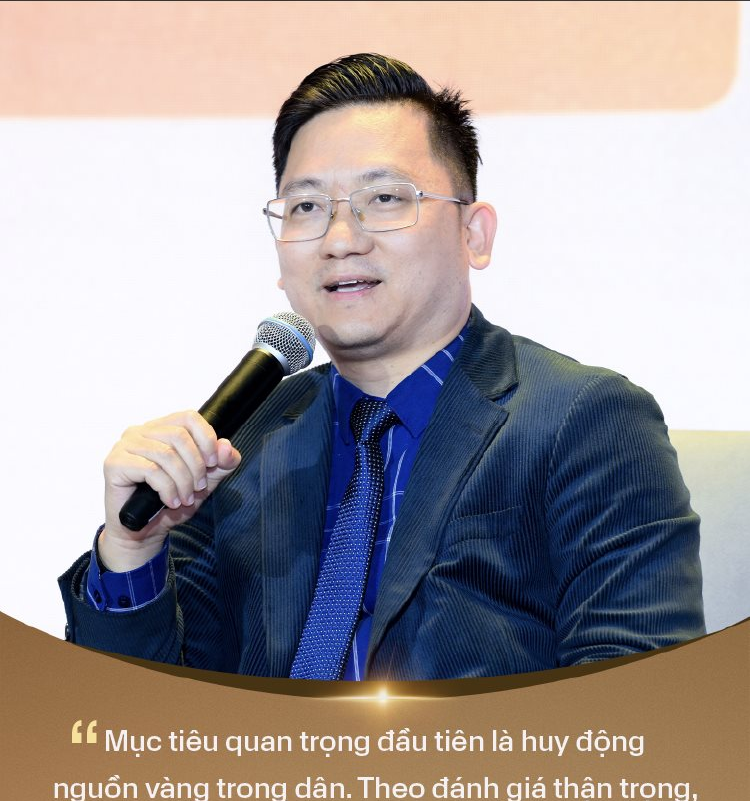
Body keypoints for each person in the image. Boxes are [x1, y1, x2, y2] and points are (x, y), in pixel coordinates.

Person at [59, 53, 705, 680]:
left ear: (474, 234)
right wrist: (132, 550)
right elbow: (143, 723)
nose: (341, 239)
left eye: (386, 197)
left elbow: (635, 712)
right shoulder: (242, 441)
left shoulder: (586, 422)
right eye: (307, 207)